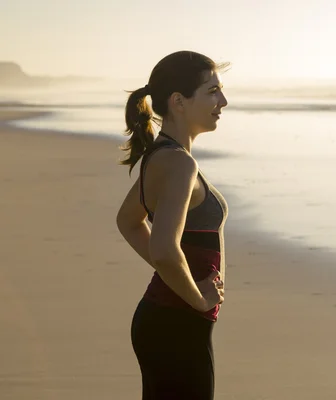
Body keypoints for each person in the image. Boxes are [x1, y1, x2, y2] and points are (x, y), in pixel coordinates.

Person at [115, 50, 229, 400]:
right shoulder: (178, 164)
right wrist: (196, 298)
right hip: (177, 323)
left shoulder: (162, 155)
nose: (223, 101)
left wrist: (178, 276)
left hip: (164, 320)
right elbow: (164, 249)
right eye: (212, 91)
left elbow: (128, 222)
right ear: (179, 101)